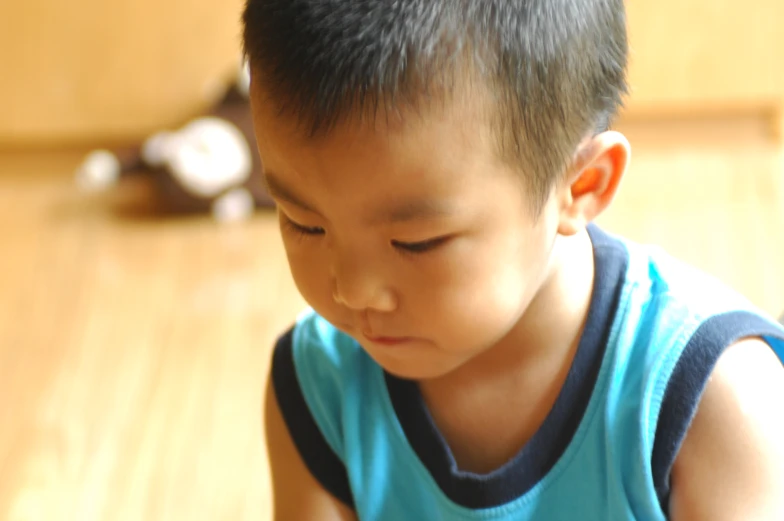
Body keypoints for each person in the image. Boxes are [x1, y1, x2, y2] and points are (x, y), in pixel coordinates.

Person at [242, 1, 784, 519]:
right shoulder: (320, 390)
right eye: (303, 222)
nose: (353, 290)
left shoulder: (712, 403)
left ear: (581, 185)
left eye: (417, 242)